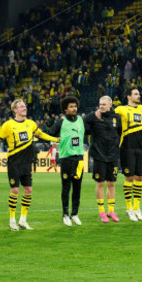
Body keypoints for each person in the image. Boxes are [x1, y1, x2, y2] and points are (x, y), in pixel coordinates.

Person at [0, 99, 58, 231]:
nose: (24, 108)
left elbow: (41, 134)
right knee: (15, 190)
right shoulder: (8, 125)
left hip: (26, 163)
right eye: (21, 106)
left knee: (28, 190)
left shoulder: (30, 124)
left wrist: (55, 139)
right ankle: (12, 220)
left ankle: (23, 220)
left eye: (25, 106)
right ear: (15, 110)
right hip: (14, 162)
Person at [49, 95, 85, 227]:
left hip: (79, 158)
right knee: (66, 187)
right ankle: (65, 214)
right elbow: (50, 133)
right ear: (65, 109)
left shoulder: (81, 120)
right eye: (71, 106)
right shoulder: (60, 122)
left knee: (77, 187)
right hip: (66, 158)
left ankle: (74, 214)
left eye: (75, 106)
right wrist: (56, 141)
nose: (74, 108)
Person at [114, 87, 142, 222]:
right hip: (127, 147)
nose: (139, 96)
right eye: (136, 94)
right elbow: (109, 114)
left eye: (139, 94)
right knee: (129, 177)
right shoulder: (121, 109)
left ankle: (137, 208)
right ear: (129, 96)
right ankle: (129, 209)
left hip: (141, 147)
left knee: (139, 178)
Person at [86, 96, 122, 223]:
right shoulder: (93, 117)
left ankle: (111, 211)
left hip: (112, 155)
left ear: (110, 105)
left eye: (104, 104)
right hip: (99, 156)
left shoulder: (117, 118)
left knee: (111, 183)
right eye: (100, 104)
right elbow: (85, 128)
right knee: (100, 183)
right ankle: (101, 211)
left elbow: (120, 133)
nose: (101, 106)